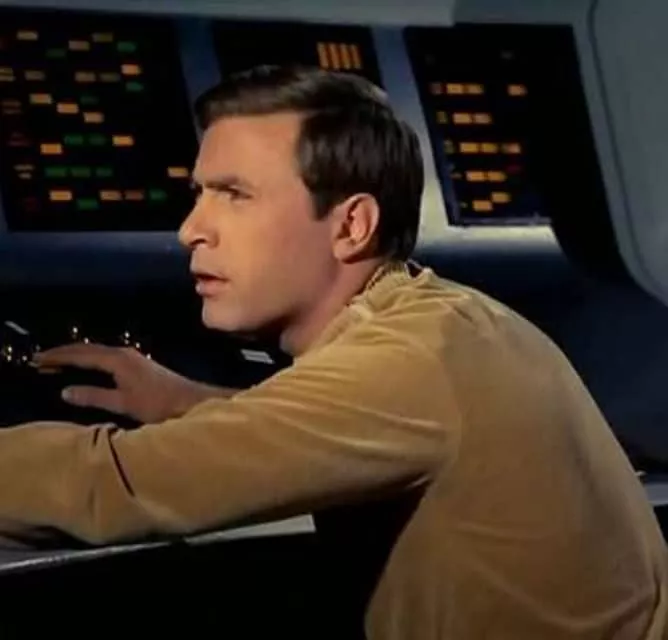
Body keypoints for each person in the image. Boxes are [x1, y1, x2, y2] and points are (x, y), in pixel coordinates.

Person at [0, 64, 666, 639]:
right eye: (199, 194)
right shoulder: (443, 319)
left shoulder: (406, 361)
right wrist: (186, 404)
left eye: (235, 195)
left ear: (352, 225)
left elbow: (114, 486)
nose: (191, 230)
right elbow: (348, 425)